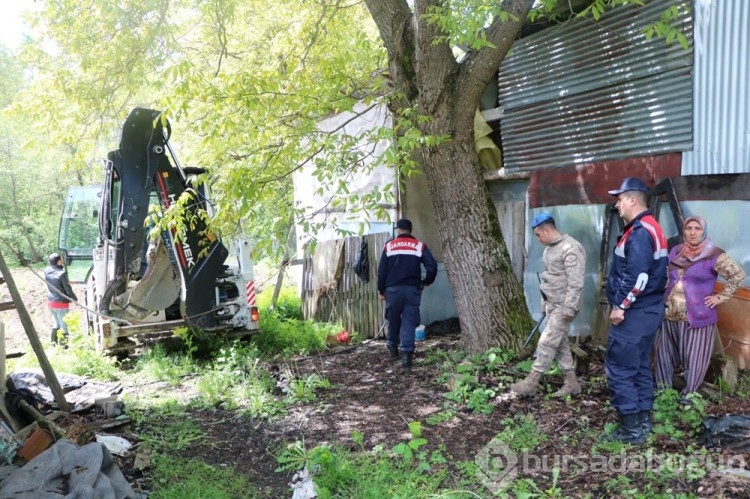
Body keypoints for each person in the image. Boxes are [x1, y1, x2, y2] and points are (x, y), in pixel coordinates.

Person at [603, 177, 668, 445]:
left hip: (635, 313)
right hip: (648, 313)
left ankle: (630, 430)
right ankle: (642, 423)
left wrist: (620, 306)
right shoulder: (650, 228)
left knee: (620, 368)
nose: (617, 204)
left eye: (619, 199)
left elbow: (638, 276)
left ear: (632, 199)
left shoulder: (641, 232)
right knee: (640, 367)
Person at [655, 216, 745, 400]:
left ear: (703, 231)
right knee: (663, 355)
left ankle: (688, 397)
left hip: (697, 316)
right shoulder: (676, 251)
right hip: (669, 313)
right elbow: (665, 275)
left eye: (697, 228)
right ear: (684, 231)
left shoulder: (714, 255)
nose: (693, 232)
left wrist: (721, 296)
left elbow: (737, 275)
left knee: (695, 359)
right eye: (689, 228)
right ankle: (663, 394)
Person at [511, 213, 586, 397]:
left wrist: (569, 307)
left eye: (538, 234)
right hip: (552, 304)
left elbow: (576, 282)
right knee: (559, 344)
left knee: (546, 341)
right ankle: (572, 383)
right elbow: (549, 278)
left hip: (564, 306)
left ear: (547, 229)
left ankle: (531, 382)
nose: (538, 239)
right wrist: (544, 303)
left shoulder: (571, 248)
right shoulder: (549, 250)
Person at [377, 218, 437, 368]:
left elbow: (382, 272)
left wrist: (381, 290)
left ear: (398, 230)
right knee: (409, 321)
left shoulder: (389, 247)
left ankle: (392, 346)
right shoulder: (419, 246)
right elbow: (432, 266)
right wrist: (426, 281)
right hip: (412, 290)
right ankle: (407, 357)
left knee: (393, 318)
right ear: (411, 231)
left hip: (393, 290)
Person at [44, 253, 78, 344]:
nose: (62, 261)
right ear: (58, 261)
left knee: (56, 323)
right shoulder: (62, 274)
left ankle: (53, 343)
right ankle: (64, 347)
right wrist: (75, 299)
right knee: (64, 326)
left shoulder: (46, 270)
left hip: (51, 303)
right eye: (61, 260)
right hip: (61, 304)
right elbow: (68, 290)